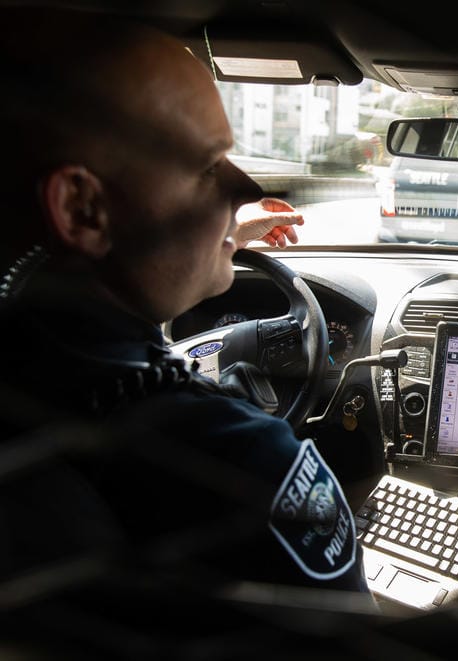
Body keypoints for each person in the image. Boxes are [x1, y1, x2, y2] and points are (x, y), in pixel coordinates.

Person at [0, 7, 373, 648]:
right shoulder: (240, 460)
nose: (245, 186)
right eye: (208, 167)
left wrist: (197, 239)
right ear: (82, 208)